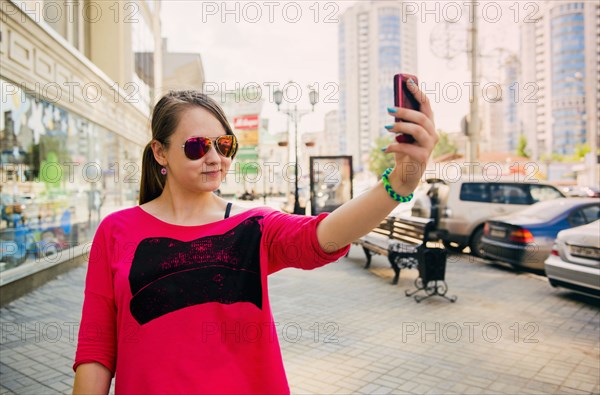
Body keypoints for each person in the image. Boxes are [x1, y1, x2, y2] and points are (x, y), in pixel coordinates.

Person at [72, 85, 437, 394]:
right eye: (197, 146)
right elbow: (96, 349)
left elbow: (321, 236)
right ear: (160, 152)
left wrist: (398, 185)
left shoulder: (253, 225)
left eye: (224, 145)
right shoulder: (116, 230)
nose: (215, 158)